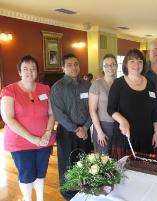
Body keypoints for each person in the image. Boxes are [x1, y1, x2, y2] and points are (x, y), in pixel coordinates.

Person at [0, 55, 55, 201]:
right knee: (26, 173)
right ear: (19, 72)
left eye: (33, 69)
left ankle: (41, 198)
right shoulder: (9, 90)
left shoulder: (45, 89)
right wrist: (33, 139)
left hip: (44, 140)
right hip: (20, 142)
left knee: (41, 171)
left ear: (37, 71)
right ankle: (27, 198)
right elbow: (8, 118)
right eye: (25, 69)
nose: (29, 72)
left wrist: (47, 133)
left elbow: (51, 113)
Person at [50, 53, 92, 201]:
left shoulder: (87, 85)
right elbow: (58, 114)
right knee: (68, 163)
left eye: (76, 64)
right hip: (67, 131)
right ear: (63, 67)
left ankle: (85, 190)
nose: (73, 67)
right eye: (69, 65)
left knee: (85, 161)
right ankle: (69, 195)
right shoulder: (57, 88)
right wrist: (76, 129)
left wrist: (86, 127)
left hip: (86, 130)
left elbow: (93, 109)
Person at [108, 48, 157, 160]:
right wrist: (122, 120)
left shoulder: (150, 83)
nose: (136, 64)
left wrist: (156, 132)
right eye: (132, 61)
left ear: (143, 64)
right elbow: (110, 109)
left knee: (146, 171)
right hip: (126, 136)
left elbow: (155, 110)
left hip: (147, 136)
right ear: (126, 64)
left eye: (140, 61)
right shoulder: (119, 83)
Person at [89, 54, 117, 154]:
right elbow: (92, 111)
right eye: (107, 65)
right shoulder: (97, 84)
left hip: (118, 127)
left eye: (113, 64)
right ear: (102, 67)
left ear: (117, 66)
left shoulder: (119, 83)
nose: (110, 67)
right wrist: (100, 132)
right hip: (102, 126)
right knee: (103, 161)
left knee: (117, 159)